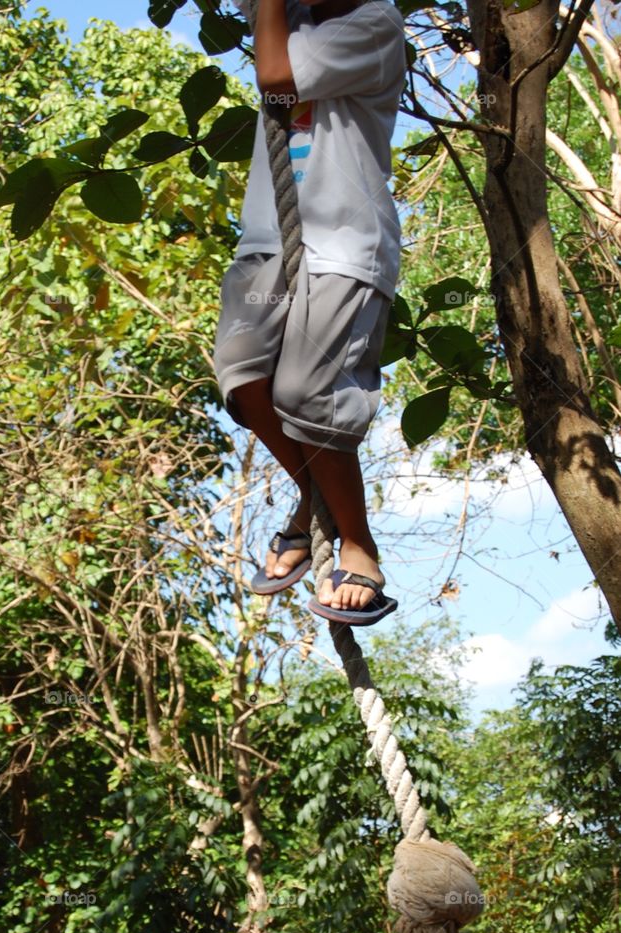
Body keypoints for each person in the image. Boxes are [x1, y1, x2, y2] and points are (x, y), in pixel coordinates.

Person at [213, 0, 405, 624]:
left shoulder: (375, 24)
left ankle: (359, 544)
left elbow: (276, 78)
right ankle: (309, 497)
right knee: (242, 375)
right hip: (270, 237)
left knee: (306, 391)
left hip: (344, 244)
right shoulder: (289, 13)